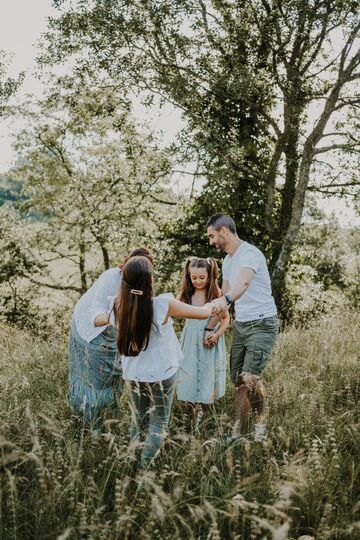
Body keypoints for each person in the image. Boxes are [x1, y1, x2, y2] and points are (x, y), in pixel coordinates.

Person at [103, 255, 214, 469]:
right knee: (159, 421)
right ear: (151, 281)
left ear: (124, 281)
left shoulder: (116, 306)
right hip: (162, 373)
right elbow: (202, 313)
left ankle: (132, 464)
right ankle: (144, 470)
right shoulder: (163, 305)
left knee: (139, 420)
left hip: (133, 374)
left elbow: (101, 318)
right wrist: (216, 303)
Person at [205, 214, 279, 442]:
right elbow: (224, 297)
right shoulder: (228, 261)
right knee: (238, 380)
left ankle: (260, 424)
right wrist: (209, 328)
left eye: (211, 235)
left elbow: (242, 284)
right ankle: (237, 432)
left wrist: (226, 300)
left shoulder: (250, 254)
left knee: (249, 378)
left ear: (223, 231)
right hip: (243, 325)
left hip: (262, 323)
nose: (210, 241)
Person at [68, 247, 153, 432]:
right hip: (90, 331)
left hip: (114, 334)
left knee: (113, 380)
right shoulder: (111, 277)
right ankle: (91, 428)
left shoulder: (142, 283)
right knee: (94, 383)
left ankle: (108, 423)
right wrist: (117, 314)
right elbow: (96, 316)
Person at [176, 257, 229, 432]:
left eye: (202, 278)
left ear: (209, 276)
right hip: (191, 341)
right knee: (189, 377)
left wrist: (216, 335)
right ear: (188, 277)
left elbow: (226, 320)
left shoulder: (217, 294)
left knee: (207, 377)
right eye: (194, 278)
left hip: (209, 342)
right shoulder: (186, 295)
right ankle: (189, 420)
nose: (197, 281)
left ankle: (205, 419)